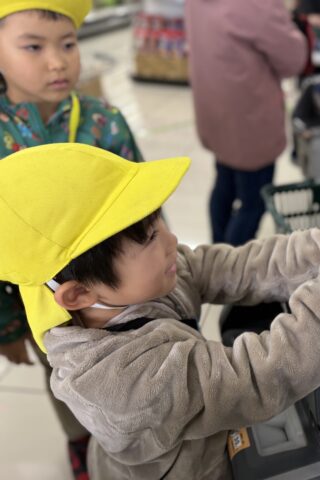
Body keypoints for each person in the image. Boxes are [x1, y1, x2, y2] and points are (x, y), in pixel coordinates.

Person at [0, 142, 320, 479]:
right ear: (77, 294)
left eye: (158, 221)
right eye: (148, 237)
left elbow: (239, 267)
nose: (171, 239)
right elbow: (258, 375)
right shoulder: (120, 384)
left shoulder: (124, 291)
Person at [0, 2, 143, 478]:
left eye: (68, 44)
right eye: (33, 47)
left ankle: (133, 442)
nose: (57, 62)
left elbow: (143, 208)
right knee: (63, 380)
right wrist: (7, 328)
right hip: (39, 313)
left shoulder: (104, 122)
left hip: (117, 294)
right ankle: (80, 443)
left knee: (130, 378)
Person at [185, 0, 308, 246]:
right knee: (253, 201)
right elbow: (293, 59)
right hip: (250, 121)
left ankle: (215, 253)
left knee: (225, 184)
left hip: (216, 110)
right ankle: (230, 262)